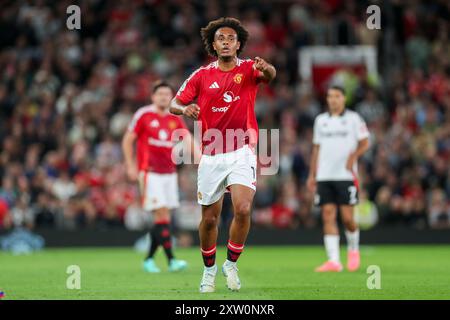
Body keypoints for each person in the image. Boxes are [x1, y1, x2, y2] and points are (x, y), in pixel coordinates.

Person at [170, 17, 276, 292]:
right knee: (209, 220)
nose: (226, 42)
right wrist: (185, 110)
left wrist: (268, 68)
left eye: (231, 38)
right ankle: (209, 270)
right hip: (211, 155)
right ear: (214, 45)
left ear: (238, 44)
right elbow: (173, 103)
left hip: (242, 150)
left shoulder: (249, 68)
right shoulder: (201, 75)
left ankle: (231, 263)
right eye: (221, 39)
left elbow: (270, 75)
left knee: (242, 208)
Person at [122, 80, 198, 273]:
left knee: (163, 218)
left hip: (169, 174)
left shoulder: (175, 118)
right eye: (160, 94)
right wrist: (131, 166)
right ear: (153, 97)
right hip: (150, 173)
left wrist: (203, 161)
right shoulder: (144, 115)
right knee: (161, 214)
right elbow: (127, 140)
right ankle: (172, 260)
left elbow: (188, 140)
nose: (164, 97)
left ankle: (148, 259)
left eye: (167, 94)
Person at [307, 86, 370, 272]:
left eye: (337, 96)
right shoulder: (320, 121)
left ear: (344, 98)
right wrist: (312, 174)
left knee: (348, 219)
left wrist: (353, 157)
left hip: (345, 176)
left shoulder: (353, 119)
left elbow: (365, 142)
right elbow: (316, 148)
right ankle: (334, 261)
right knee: (328, 215)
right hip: (325, 175)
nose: (333, 99)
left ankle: (353, 249)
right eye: (330, 96)